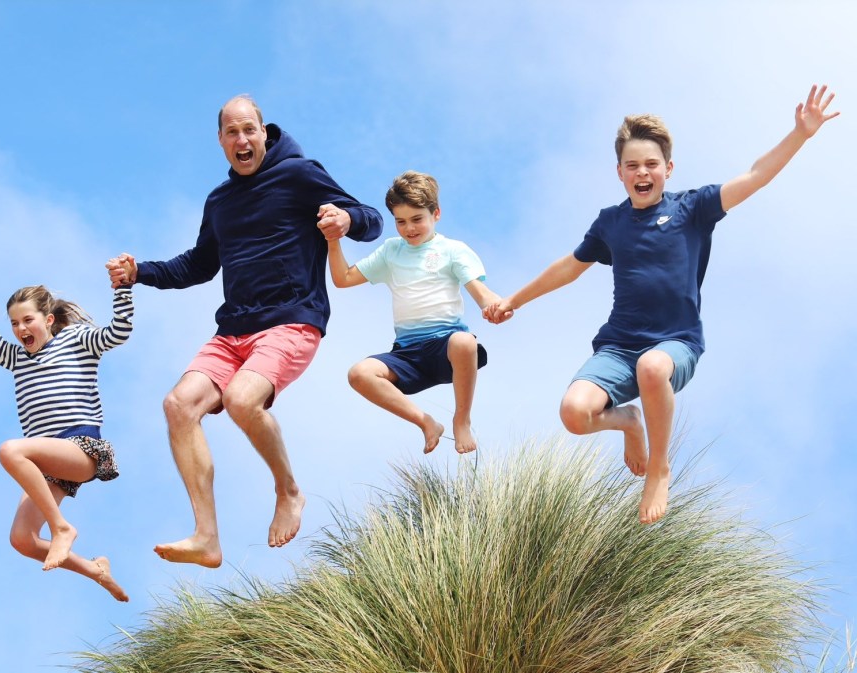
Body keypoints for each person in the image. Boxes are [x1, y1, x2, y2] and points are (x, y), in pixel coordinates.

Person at [485, 84, 839, 525]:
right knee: (574, 414)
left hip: (676, 343)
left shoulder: (693, 208)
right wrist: (514, 300)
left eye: (651, 164)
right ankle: (630, 422)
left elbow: (755, 175)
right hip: (617, 347)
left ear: (668, 168)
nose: (642, 172)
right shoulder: (610, 222)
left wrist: (800, 135)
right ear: (619, 172)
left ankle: (659, 468)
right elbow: (569, 267)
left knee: (653, 367)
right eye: (632, 165)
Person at [106, 94, 382, 568]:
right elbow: (197, 265)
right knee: (178, 406)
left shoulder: (299, 174)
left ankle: (288, 491)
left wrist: (345, 218)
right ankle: (207, 537)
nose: (242, 139)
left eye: (248, 129)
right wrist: (139, 273)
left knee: (240, 399)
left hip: (292, 319)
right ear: (220, 141)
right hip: (233, 331)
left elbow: (372, 221)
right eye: (231, 132)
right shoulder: (220, 201)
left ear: (263, 131)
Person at [0, 243, 133, 601]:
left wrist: (123, 288)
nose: (21, 328)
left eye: (28, 320)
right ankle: (96, 571)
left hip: (81, 448)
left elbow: (118, 333)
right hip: (48, 464)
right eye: (15, 323)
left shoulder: (75, 341)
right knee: (22, 540)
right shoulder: (17, 357)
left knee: (10, 451)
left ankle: (62, 528)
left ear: (48, 320)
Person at [326, 170, 502, 455]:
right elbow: (343, 279)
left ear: (436, 214)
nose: (409, 228)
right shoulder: (391, 252)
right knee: (359, 374)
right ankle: (426, 423)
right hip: (408, 354)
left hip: (446, 348)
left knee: (464, 341)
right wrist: (333, 241)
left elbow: (480, 292)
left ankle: (461, 419)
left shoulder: (453, 250)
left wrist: (492, 306)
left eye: (417, 219)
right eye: (400, 221)